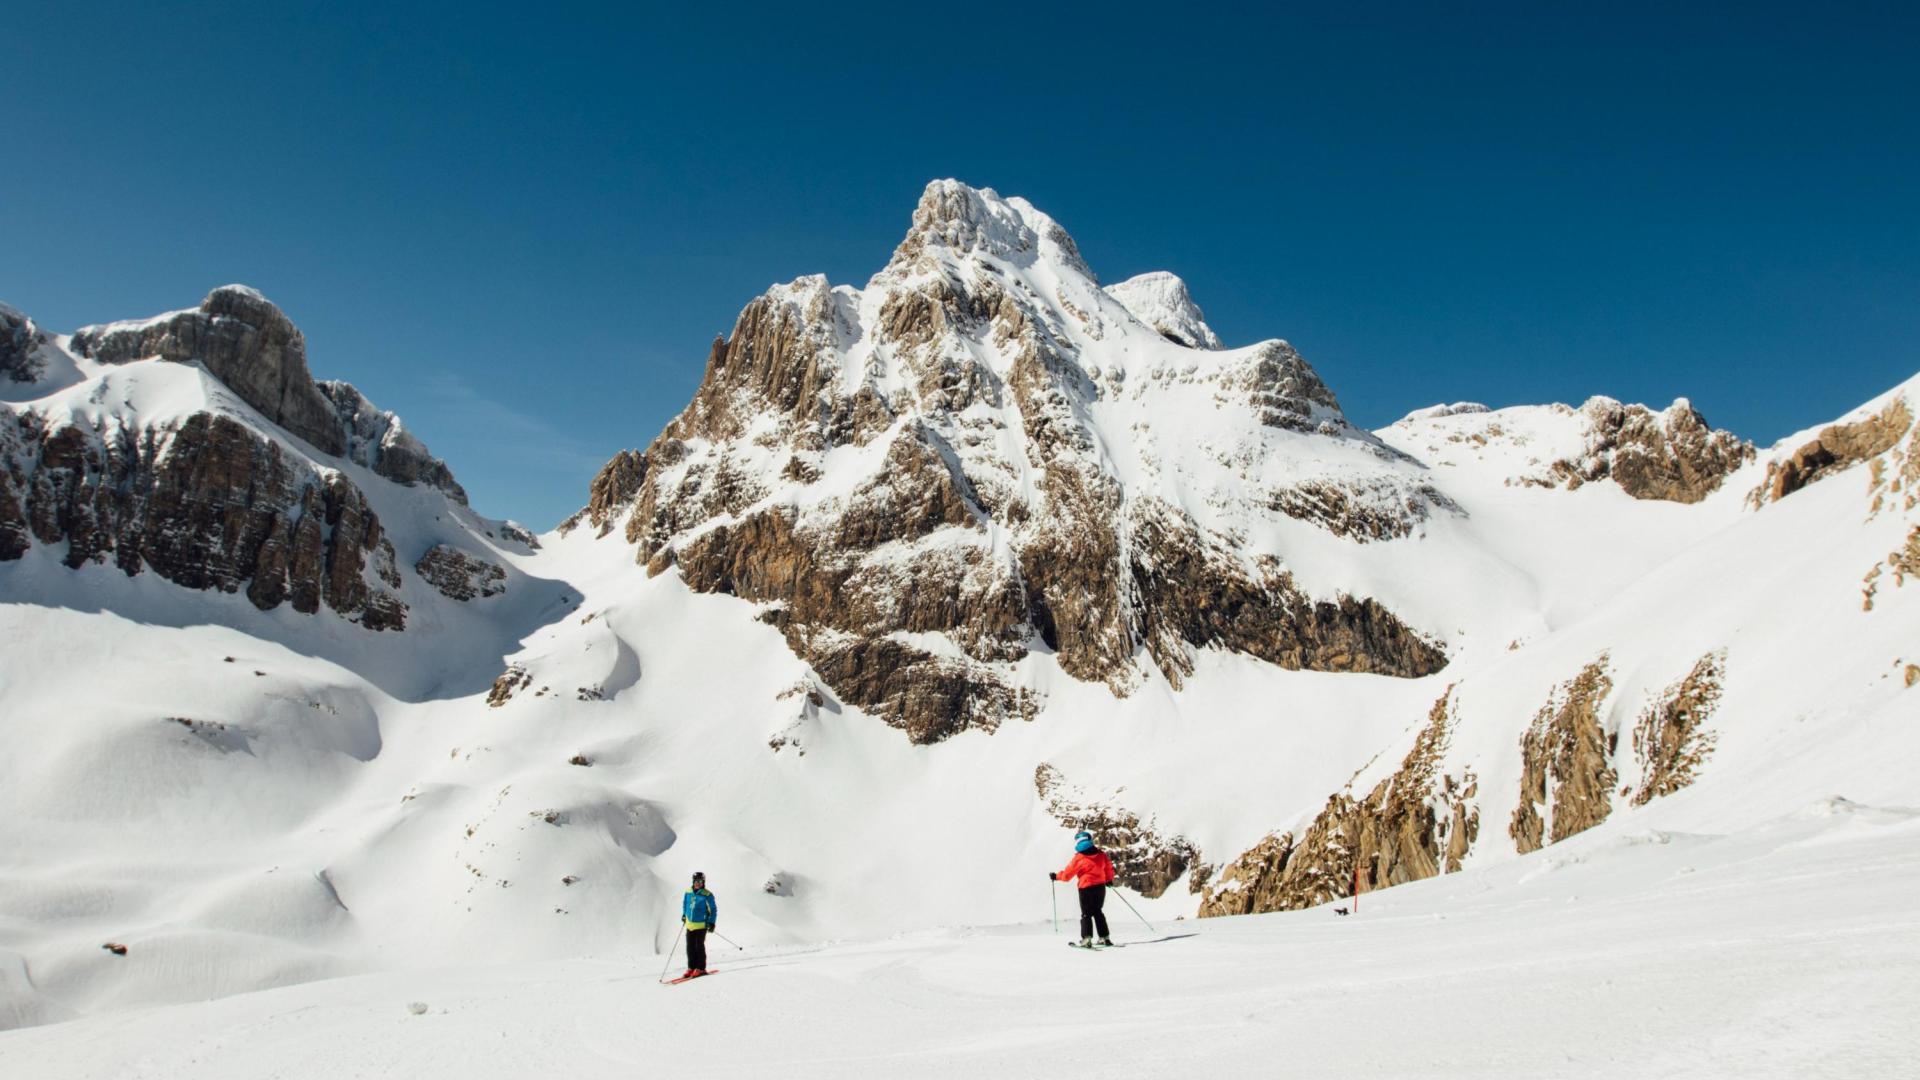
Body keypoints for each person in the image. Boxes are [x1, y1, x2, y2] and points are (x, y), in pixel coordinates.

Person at [1050, 829, 1116, 947]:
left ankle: (1087, 939)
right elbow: (1108, 868)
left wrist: (1056, 876)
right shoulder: (1101, 854)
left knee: (1086, 914)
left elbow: (1066, 875)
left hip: (1086, 888)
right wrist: (1109, 880)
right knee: (1098, 912)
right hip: (1100, 887)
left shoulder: (1079, 858)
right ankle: (1105, 937)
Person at [682, 871, 718, 977]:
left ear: (703, 882)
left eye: (700, 881)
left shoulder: (707, 895)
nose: (698, 883)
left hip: (701, 925)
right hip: (690, 925)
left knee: (699, 947)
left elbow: (713, 910)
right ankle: (691, 968)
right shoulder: (688, 892)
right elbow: (685, 904)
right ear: (693, 882)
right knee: (690, 947)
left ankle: (701, 968)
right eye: (696, 881)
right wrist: (684, 915)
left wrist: (711, 922)